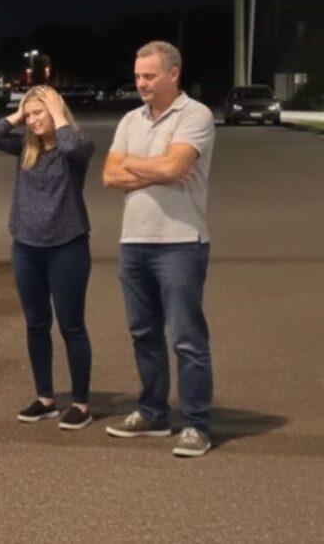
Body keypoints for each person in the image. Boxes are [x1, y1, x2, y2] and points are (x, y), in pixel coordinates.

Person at [102, 41, 216, 458]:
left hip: (180, 243)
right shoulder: (130, 119)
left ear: (173, 74)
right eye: (137, 76)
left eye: (149, 76)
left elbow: (176, 166)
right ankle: (153, 413)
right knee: (143, 334)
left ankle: (197, 424)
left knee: (187, 338)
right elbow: (109, 175)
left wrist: (135, 163)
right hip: (134, 242)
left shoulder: (195, 115)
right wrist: (156, 169)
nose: (141, 83)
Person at [0, 86, 95, 430]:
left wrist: (57, 114)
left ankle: (80, 404)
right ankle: (45, 398)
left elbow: (73, 148)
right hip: (26, 248)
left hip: (67, 247)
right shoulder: (24, 148)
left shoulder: (76, 146)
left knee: (71, 326)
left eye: (38, 113)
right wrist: (19, 113)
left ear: (56, 111)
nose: (32, 121)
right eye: (28, 115)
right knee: (35, 324)